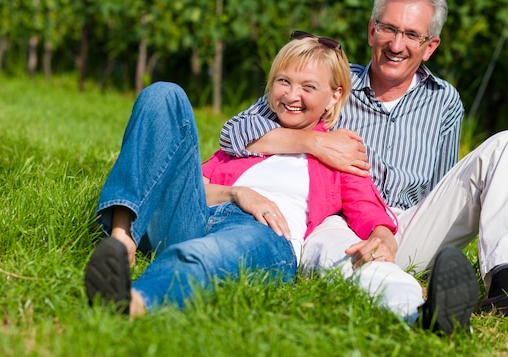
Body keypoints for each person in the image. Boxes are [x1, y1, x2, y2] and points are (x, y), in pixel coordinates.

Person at [218, 0, 508, 335]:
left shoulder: (444, 100)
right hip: (337, 218)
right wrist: (313, 143)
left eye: (412, 35)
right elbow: (234, 134)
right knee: (344, 248)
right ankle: (418, 309)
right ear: (371, 31)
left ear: (430, 46)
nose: (396, 44)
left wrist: (394, 231)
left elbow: (441, 184)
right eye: (388, 29)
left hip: (408, 224)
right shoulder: (331, 83)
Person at [84, 32, 478, 334]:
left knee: (208, 256)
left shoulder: (340, 151)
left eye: (308, 88)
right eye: (283, 82)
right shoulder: (251, 137)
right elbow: (185, 182)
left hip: (264, 235)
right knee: (163, 94)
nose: (292, 96)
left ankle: (133, 300)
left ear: (333, 96)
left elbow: (367, 205)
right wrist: (237, 192)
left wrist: (380, 234)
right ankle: (122, 237)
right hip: (197, 215)